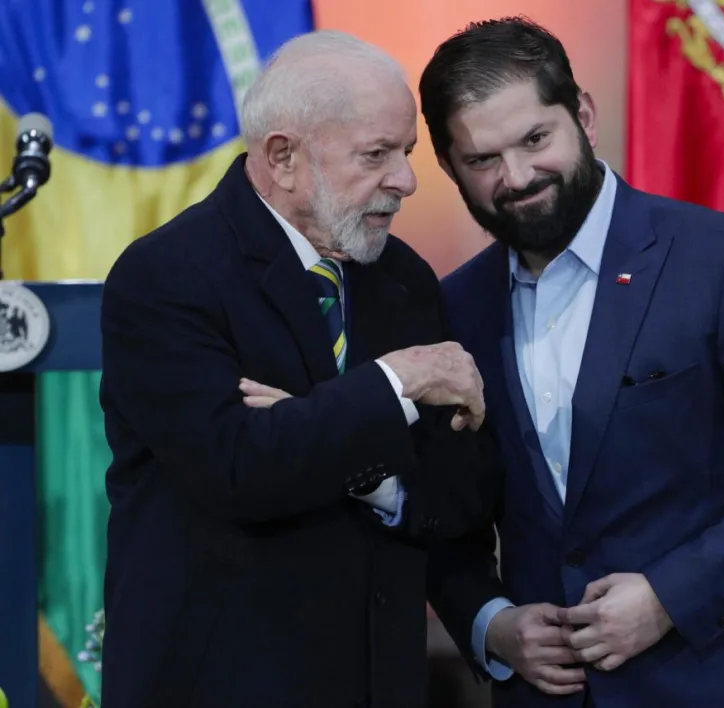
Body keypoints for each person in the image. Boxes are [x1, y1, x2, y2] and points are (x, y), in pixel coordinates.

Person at [419, 17, 724, 708]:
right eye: (482, 160)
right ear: (449, 168)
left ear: (584, 117)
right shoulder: (453, 309)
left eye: (536, 139)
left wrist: (668, 596)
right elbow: (446, 515)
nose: (517, 177)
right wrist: (492, 623)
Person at [98, 30, 501, 708]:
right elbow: (239, 469)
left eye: (403, 153)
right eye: (376, 155)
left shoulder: (403, 278)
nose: (405, 180)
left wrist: (335, 445)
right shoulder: (166, 275)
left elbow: (463, 493)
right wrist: (395, 385)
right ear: (283, 157)